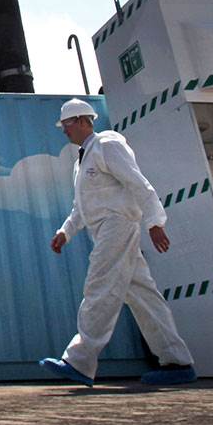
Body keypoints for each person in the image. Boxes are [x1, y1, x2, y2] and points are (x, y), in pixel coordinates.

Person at [39, 99, 197, 387]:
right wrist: (66, 231)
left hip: (118, 224)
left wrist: (154, 222)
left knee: (99, 286)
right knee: (143, 296)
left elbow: (139, 183)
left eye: (67, 124)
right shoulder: (82, 160)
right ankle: (177, 361)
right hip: (103, 229)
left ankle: (79, 359)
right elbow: (81, 206)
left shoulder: (107, 146)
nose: (64, 130)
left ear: (84, 120)